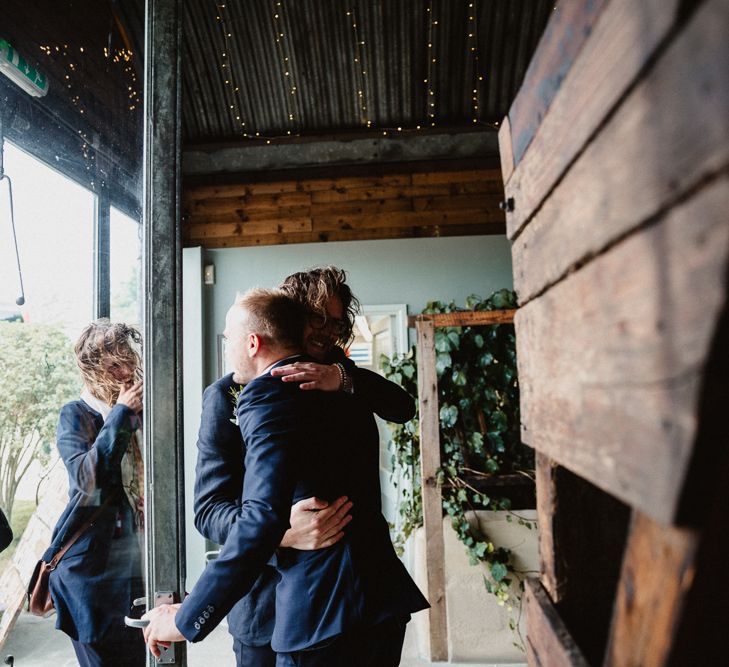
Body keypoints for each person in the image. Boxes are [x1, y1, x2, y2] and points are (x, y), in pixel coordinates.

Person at [142, 289, 428, 665]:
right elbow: (210, 509)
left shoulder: (337, 381)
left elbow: (403, 406)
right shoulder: (229, 395)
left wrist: (184, 619)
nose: (329, 334)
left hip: (330, 606)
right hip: (265, 606)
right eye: (318, 321)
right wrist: (283, 532)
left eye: (337, 323)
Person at [44, 320, 145, 667]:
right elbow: (87, 480)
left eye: (128, 359)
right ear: (93, 372)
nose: (127, 370)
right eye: (115, 365)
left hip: (133, 570)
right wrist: (120, 414)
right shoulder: (76, 414)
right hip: (90, 578)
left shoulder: (135, 416)